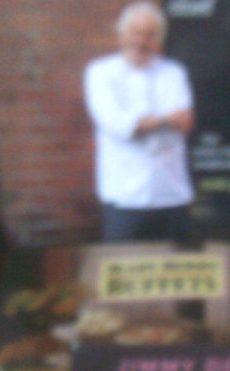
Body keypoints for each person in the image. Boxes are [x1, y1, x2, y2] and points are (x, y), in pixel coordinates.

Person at [84, 1, 196, 242]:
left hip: (171, 194)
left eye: (150, 35)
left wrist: (147, 123)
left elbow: (186, 123)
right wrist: (166, 120)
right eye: (135, 33)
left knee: (176, 263)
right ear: (121, 34)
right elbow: (120, 125)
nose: (141, 41)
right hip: (125, 198)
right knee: (123, 264)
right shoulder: (100, 73)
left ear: (159, 40)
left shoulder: (174, 73)